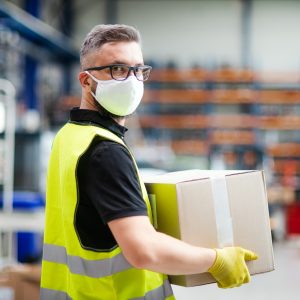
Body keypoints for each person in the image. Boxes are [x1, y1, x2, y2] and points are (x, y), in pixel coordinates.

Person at [40, 24, 257, 300]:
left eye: (138, 70)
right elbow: (144, 251)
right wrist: (216, 260)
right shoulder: (104, 150)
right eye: (117, 69)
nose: (131, 80)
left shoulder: (69, 135)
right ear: (85, 80)